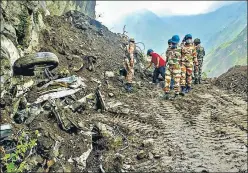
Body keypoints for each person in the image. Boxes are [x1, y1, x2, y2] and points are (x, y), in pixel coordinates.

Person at [163, 35, 181, 100]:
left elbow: (183, 59)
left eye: (174, 43)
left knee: (176, 82)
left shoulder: (180, 49)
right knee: (167, 80)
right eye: (172, 43)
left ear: (177, 42)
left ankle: (176, 94)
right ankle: (166, 93)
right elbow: (167, 57)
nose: (173, 44)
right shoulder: (168, 49)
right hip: (169, 67)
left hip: (176, 68)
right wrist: (166, 63)